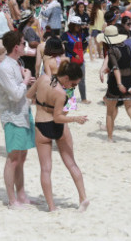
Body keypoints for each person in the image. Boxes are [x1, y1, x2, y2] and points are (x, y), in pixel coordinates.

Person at [26, 61, 90, 212]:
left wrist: (41, 101)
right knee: (71, 163)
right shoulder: (61, 93)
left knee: (46, 169)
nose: (72, 87)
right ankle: (83, 197)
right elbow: (58, 118)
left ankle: (52, 207)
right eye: (73, 84)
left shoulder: (42, 79)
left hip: (42, 125)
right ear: (66, 78)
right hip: (59, 126)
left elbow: (28, 96)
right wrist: (76, 119)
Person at [0, 30, 36, 208]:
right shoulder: (4, 67)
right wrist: (26, 80)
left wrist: (27, 80)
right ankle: (12, 199)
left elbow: (20, 90)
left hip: (23, 112)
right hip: (12, 116)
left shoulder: (16, 62)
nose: (25, 45)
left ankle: (21, 194)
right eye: (23, 42)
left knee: (22, 156)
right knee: (13, 158)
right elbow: (15, 94)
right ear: (16, 47)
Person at [97, 25, 131, 142]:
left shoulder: (112, 50)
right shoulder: (126, 47)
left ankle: (110, 138)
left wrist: (119, 83)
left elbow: (116, 68)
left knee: (110, 112)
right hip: (130, 79)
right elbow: (125, 64)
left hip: (116, 82)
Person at [62, 15, 90, 104]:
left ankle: (83, 98)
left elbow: (85, 44)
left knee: (82, 79)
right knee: (69, 80)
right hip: (70, 61)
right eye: (77, 25)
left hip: (80, 60)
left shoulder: (81, 35)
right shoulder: (65, 35)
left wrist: (83, 49)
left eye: (79, 25)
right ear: (72, 25)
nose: (79, 27)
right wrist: (74, 54)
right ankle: (68, 99)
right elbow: (65, 47)